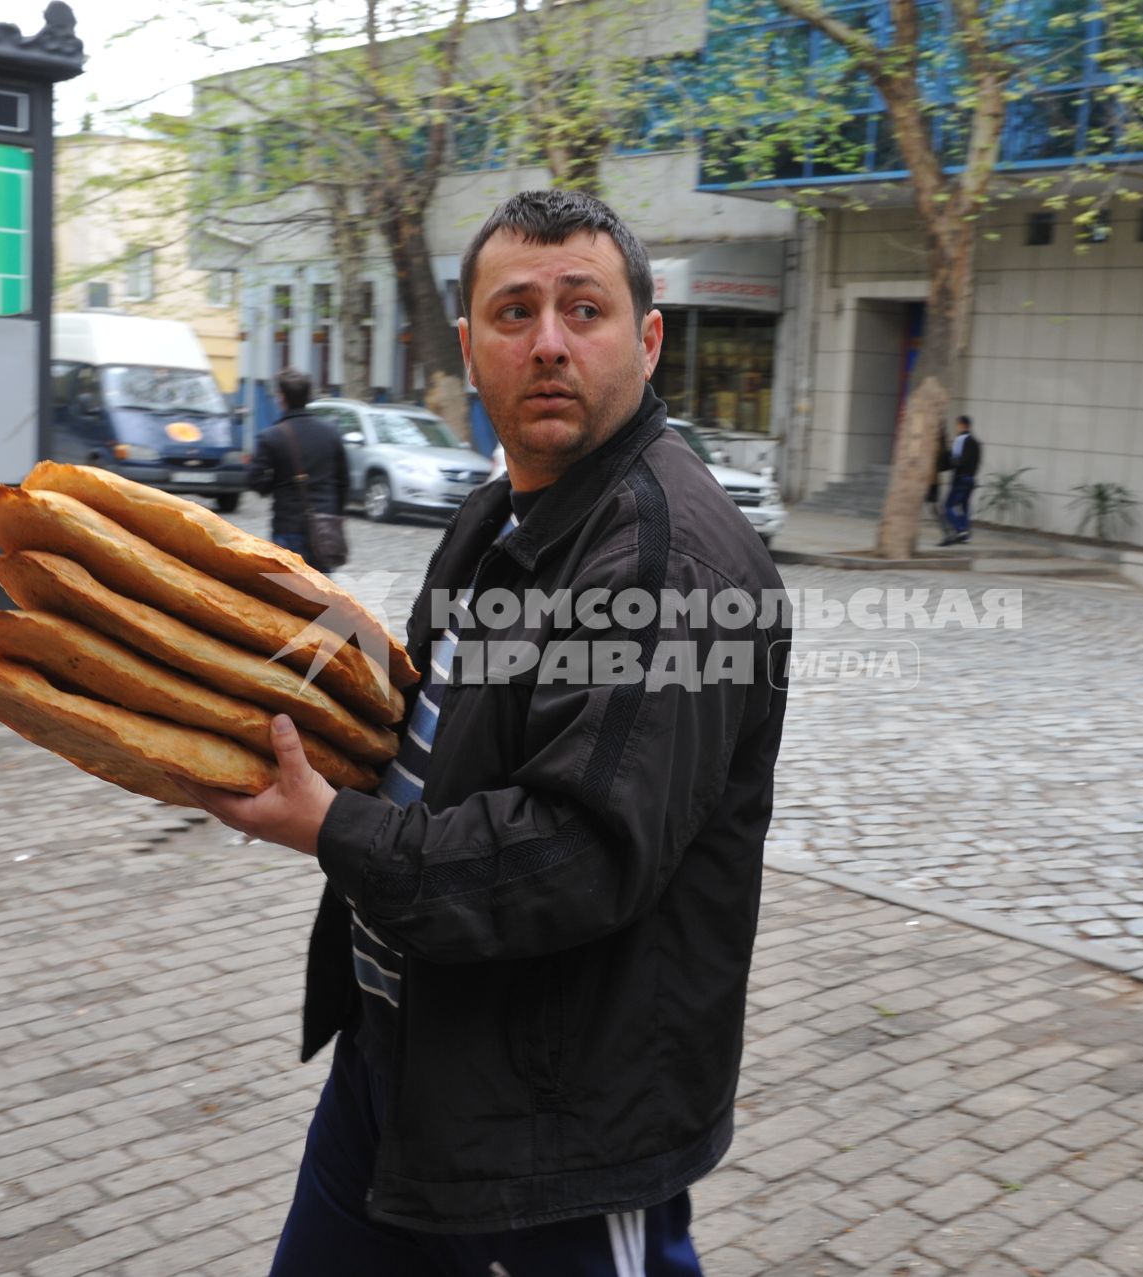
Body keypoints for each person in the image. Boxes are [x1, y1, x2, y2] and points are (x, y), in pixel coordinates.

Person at [187, 190, 790, 1275]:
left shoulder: (667, 565)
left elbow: (574, 851)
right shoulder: (491, 518)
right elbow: (431, 728)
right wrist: (238, 712)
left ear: (647, 340)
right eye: (514, 312)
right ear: (469, 348)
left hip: (553, 1131)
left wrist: (329, 829)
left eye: (584, 310)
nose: (549, 342)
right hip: (405, 1067)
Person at [248, 367, 348, 566]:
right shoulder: (330, 433)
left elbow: (254, 480)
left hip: (288, 526)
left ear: (281, 398)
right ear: (308, 397)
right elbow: (344, 482)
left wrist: (277, 484)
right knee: (322, 592)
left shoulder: (271, 437)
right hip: (325, 528)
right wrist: (334, 511)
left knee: (287, 591)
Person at [940, 414, 982, 546]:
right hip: (971, 479)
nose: (956, 427)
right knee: (964, 507)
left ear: (963, 425)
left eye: (957, 424)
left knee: (948, 506)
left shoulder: (960, 439)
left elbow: (955, 460)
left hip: (960, 478)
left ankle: (961, 529)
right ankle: (966, 535)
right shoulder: (976, 442)